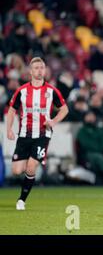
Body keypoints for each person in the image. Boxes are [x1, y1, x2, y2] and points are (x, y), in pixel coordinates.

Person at [6, 57, 68, 210]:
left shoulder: (51, 91)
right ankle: (30, 162)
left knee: (31, 167)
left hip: (43, 134)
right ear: (31, 71)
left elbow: (64, 109)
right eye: (36, 68)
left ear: (45, 70)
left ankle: (21, 200)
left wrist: (53, 121)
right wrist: (8, 129)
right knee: (16, 171)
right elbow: (12, 110)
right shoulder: (22, 91)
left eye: (42, 67)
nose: (39, 70)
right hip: (24, 134)